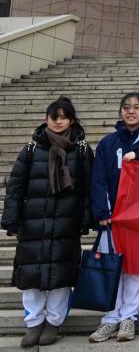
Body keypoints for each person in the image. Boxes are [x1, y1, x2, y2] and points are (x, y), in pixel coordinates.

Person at [2, 97, 93, 349]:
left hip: (66, 222)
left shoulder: (81, 149)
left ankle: (53, 322)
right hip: (33, 221)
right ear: (46, 119)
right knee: (31, 275)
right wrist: (12, 220)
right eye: (55, 117)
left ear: (72, 120)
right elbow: (16, 186)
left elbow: (88, 188)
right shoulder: (32, 148)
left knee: (61, 276)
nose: (58, 121)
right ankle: (33, 323)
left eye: (64, 117)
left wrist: (86, 219)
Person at [89, 92, 139, 343]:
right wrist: (102, 211)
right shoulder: (109, 142)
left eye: (136, 107)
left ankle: (129, 318)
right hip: (113, 217)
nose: (131, 111)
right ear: (121, 112)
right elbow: (98, 179)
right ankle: (110, 318)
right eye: (126, 107)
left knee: (135, 268)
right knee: (112, 267)